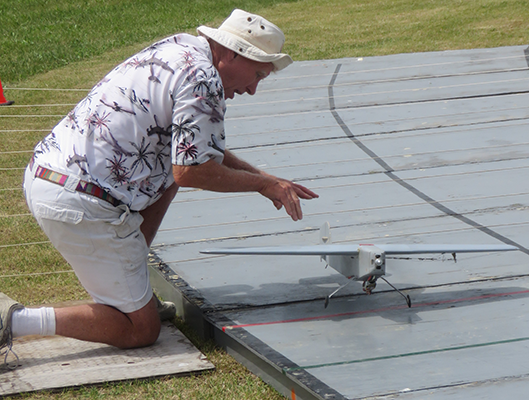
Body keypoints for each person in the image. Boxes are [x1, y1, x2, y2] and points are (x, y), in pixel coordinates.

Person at [1, 9, 318, 368]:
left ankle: (130, 287)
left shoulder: (180, 47)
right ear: (231, 54)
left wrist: (264, 178)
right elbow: (192, 171)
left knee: (169, 177)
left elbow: (196, 147)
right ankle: (11, 320)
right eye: (258, 73)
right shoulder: (204, 80)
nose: (253, 88)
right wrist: (263, 184)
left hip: (51, 176)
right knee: (140, 330)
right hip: (81, 202)